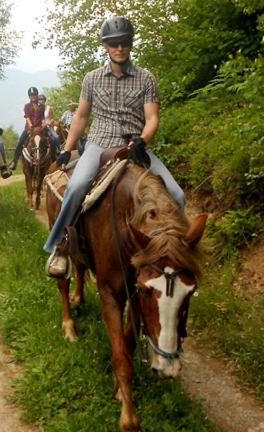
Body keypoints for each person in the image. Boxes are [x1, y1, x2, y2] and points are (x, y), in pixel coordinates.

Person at [43, 15, 185, 278]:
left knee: (177, 195)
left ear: (130, 44)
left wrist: (142, 141)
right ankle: (60, 247)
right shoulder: (92, 79)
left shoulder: (146, 78)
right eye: (113, 43)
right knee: (75, 187)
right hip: (99, 144)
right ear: (106, 47)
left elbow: (152, 118)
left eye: (124, 42)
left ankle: (178, 256)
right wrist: (67, 147)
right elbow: (82, 117)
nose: (119, 48)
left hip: (135, 145)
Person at [10, 86, 44, 170]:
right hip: (29, 128)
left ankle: (56, 156)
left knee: (52, 139)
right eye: (31, 95)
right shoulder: (27, 106)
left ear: (37, 95)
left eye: (34, 95)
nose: (33, 97)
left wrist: (43, 126)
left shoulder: (42, 106)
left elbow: (43, 118)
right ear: (29, 96)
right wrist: (31, 126)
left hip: (40, 128)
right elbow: (27, 117)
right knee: (20, 142)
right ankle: (15, 161)